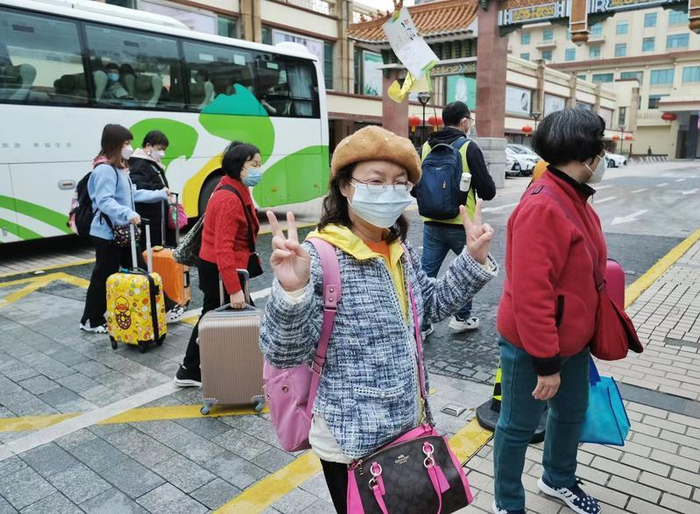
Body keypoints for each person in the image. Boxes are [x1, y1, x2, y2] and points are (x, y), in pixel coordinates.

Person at [259, 126, 498, 514]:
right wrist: (292, 292)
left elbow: (430, 305)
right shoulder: (318, 256)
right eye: (376, 180)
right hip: (352, 442)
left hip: (407, 425)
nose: (390, 191)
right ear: (345, 186)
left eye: (400, 182)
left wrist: (473, 259)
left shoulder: (397, 248)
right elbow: (284, 353)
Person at [493, 108, 607, 514]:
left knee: (571, 411)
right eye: (600, 147)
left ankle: (557, 478)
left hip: (572, 341)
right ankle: (508, 503)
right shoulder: (544, 205)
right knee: (518, 425)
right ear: (587, 154)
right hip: (534, 345)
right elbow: (531, 293)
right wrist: (545, 363)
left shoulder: (573, 195)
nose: (603, 156)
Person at [174, 142, 263, 387]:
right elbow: (223, 248)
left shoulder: (233, 187)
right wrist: (234, 289)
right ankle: (191, 369)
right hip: (221, 271)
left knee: (215, 316)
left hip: (222, 269)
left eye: (259, 164)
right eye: (254, 164)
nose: (258, 169)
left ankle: (192, 369)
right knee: (224, 316)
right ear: (238, 166)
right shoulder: (228, 198)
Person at [80, 124, 169, 333]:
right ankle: (90, 320)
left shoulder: (120, 167)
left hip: (122, 233)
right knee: (104, 276)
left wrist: (159, 194)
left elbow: (132, 194)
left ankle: (161, 308)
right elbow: (104, 201)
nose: (129, 147)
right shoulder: (105, 170)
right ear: (114, 144)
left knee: (140, 270)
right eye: (126, 143)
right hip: (108, 234)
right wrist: (127, 213)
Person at [419, 101, 496, 339]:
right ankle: (461, 318)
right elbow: (488, 191)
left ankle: (421, 323)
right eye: (469, 121)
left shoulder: (426, 146)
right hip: (462, 223)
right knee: (466, 269)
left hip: (431, 221)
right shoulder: (468, 147)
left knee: (426, 273)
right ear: (464, 122)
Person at [129, 130, 172, 247]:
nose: (162, 153)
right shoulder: (139, 164)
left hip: (156, 215)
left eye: (164, 149)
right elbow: (138, 185)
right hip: (149, 216)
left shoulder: (150, 162)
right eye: (159, 149)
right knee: (150, 248)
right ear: (148, 145)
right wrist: (160, 188)